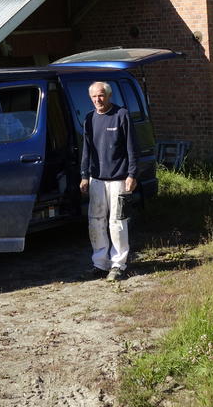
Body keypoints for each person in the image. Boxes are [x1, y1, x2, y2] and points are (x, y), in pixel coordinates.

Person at [79, 81, 137, 282]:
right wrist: (84, 175)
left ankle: (118, 265)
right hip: (97, 180)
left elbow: (131, 146)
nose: (98, 100)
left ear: (109, 95)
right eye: (94, 96)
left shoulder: (121, 115)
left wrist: (132, 174)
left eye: (101, 95)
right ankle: (100, 263)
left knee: (117, 222)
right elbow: (86, 150)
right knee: (95, 222)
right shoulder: (89, 119)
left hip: (119, 179)